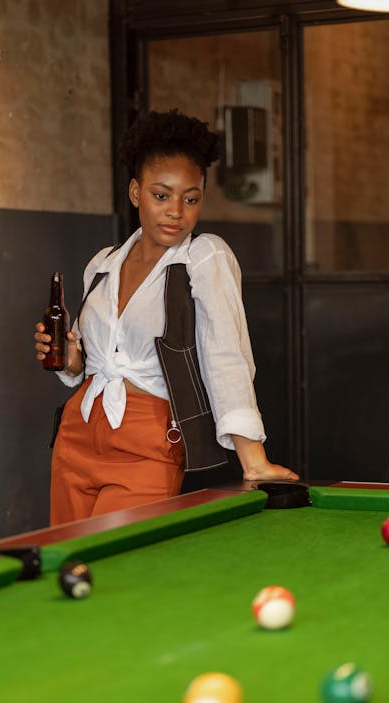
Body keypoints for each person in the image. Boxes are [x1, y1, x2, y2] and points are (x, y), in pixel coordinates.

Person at [35, 109, 299, 525]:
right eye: (162, 195)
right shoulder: (102, 265)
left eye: (190, 198)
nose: (177, 211)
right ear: (136, 193)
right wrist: (70, 360)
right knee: (67, 567)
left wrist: (254, 460)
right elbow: (95, 363)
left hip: (148, 445)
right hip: (77, 436)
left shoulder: (203, 256)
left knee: (118, 567)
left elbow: (226, 355)